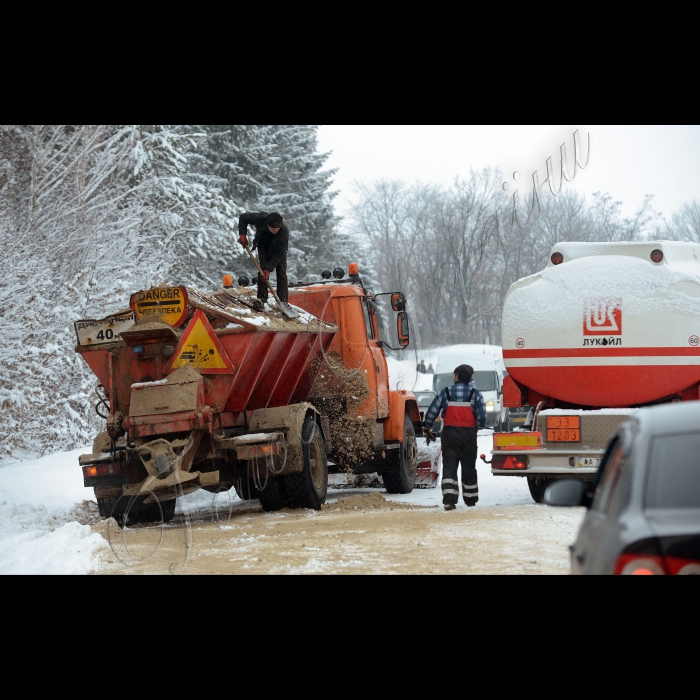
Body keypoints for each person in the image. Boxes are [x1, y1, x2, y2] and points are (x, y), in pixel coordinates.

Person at [422, 364, 486, 510]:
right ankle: (470, 500)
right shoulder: (475, 394)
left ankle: (449, 500)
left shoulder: (445, 392)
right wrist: (477, 428)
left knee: (450, 466)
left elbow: (432, 410)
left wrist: (427, 426)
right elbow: (482, 417)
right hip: (469, 435)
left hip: (450, 435)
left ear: (457, 376)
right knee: (469, 466)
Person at [238, 211, 289, 309]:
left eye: (277, 228)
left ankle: (283, 301)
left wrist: (269, 269)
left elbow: (281, 252)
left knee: (282, 272)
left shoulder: (284, 231)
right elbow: (243, 218)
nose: (275, 231)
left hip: (279, 249)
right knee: (262, 271)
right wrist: (243, 235)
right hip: (263, 244)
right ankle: (261, 298)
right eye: (272, 228)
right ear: (267, 224)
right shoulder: (259, 218)